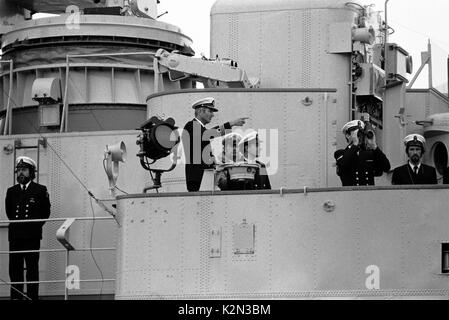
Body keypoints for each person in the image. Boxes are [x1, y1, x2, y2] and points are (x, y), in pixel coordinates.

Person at [5, 156, 51, 300]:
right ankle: (16, 297)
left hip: (32, 236)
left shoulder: (40, 190)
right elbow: (9, 212)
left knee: (32, 269)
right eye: (19, 170)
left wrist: (33, 227)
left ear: (31, 172)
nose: (21, 173)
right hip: (15, 237)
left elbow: (45, 213)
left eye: (24, 170)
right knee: (15, 270)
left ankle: (32, 297)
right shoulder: (11, 191)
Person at [182, 97, 248, 191]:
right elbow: (207, 135)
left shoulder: (199, 128)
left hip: (203, 177)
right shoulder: (192, 125)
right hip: (198, 178)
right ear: (201, 111)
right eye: (210, 111)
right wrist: (231, 124)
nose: (212, 115)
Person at [334, 120, 390, 186]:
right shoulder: (340, 153)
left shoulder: (369, 154)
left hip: (368, 194)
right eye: (357, 133)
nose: (360, 136)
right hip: (350, 194)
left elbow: (386, 167)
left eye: (361, 133)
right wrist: (355, 144)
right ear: (347, 135)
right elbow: (343, 165)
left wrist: (374, 146)